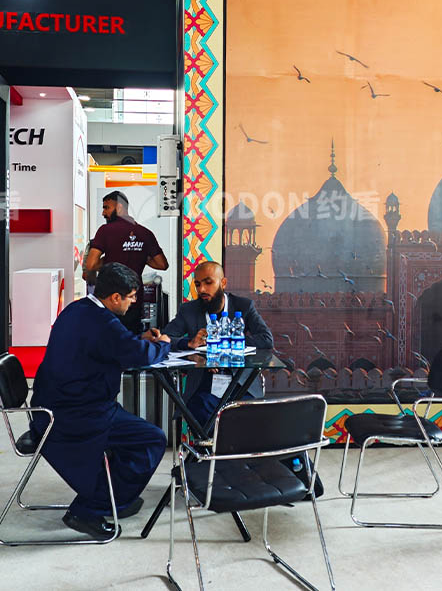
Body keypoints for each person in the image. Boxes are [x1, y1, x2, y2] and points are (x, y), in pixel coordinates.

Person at [30, 262, 170, 539]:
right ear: (115, 297)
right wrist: (163, 344)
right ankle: (89, 509)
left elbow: (111, 345)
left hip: (53, 405)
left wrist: (138, 339)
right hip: (79, 413)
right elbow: (141, 356)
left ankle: (114, 497)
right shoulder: (104, 323)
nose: (133, 302)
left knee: (135, 437)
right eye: (131, 297)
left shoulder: (77, 309)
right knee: (152, 440)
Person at [164, 261, 273, 426]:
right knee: (199, 411)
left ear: (223, 283)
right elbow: (165, 337)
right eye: (197, 284)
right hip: (205, 386)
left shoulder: (243, 306)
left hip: (242, 384)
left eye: (208, 283)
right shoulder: (189, 310)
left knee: (248, 418)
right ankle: (211, 442)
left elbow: (266, 339)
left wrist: (225, 342)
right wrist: (190, 343)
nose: (202, 289)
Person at [82, 191, 168, 332]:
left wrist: (110, 258)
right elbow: (162, 264)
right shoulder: (145, 233)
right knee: (131, 338)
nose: (103, 213)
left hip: (109, 300)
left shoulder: (105, 231)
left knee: (107, 338)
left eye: (106, 208)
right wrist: (139, 255)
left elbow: (90, 264)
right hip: (133, 299)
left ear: (119, 207)